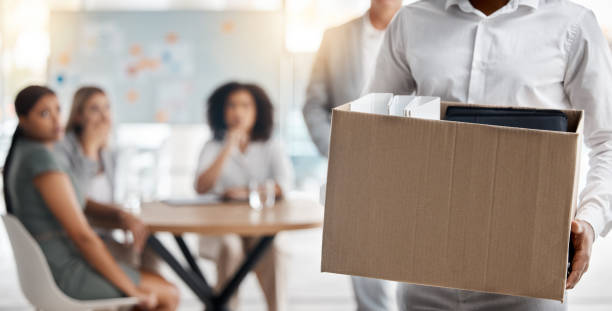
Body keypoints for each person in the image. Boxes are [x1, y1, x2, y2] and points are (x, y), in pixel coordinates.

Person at [367, 0, 612, 310]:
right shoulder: (412, 21)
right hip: (426, 275)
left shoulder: (573, 24)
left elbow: (607, 142)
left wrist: (589, 220)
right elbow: (373, 128)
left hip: (527, 279)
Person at [3, 85, 179, 311]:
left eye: (58, 110)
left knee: (150, 271)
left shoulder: (28, 153)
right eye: (44, 114)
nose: (56, 119)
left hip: (54, 264)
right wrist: (131, 290)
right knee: (169, 294)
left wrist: (117, 213)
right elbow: (83, 236)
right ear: (23, 120)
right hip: (64, 270)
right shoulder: (42, 162)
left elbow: (78, 202)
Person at [302, 0, 402, 310]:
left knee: (417, 261)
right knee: (362, 261)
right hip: (354, 165)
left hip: (409, 161)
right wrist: (336, 151)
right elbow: (314, 104)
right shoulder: (336, 38)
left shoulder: (423, 31)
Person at [194, 82, 293, 311]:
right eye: (232, 106)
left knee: (275, 249)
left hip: (260, 228)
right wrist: (228, 146)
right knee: (230, 248)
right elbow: (201, 186)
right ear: (221, 111)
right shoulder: (212, 146)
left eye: (245, 106)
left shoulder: (271, 146)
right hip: (222, 229)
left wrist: (245, 192)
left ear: (257, 111)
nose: (238, 112)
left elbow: (283, 185)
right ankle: (226, 307)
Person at [54, 86, 161, 277]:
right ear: (78, 115)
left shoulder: (108, 152)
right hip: (79, 238)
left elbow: (114, 196)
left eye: (107, 108)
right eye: (95, 109)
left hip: (106, 232)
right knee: (128, 258)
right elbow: (77, 200)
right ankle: (137, 296)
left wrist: (124, 216)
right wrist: (88, 149)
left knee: (152, 247)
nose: (104, 117)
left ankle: (145, 301)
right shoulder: (63, 148)